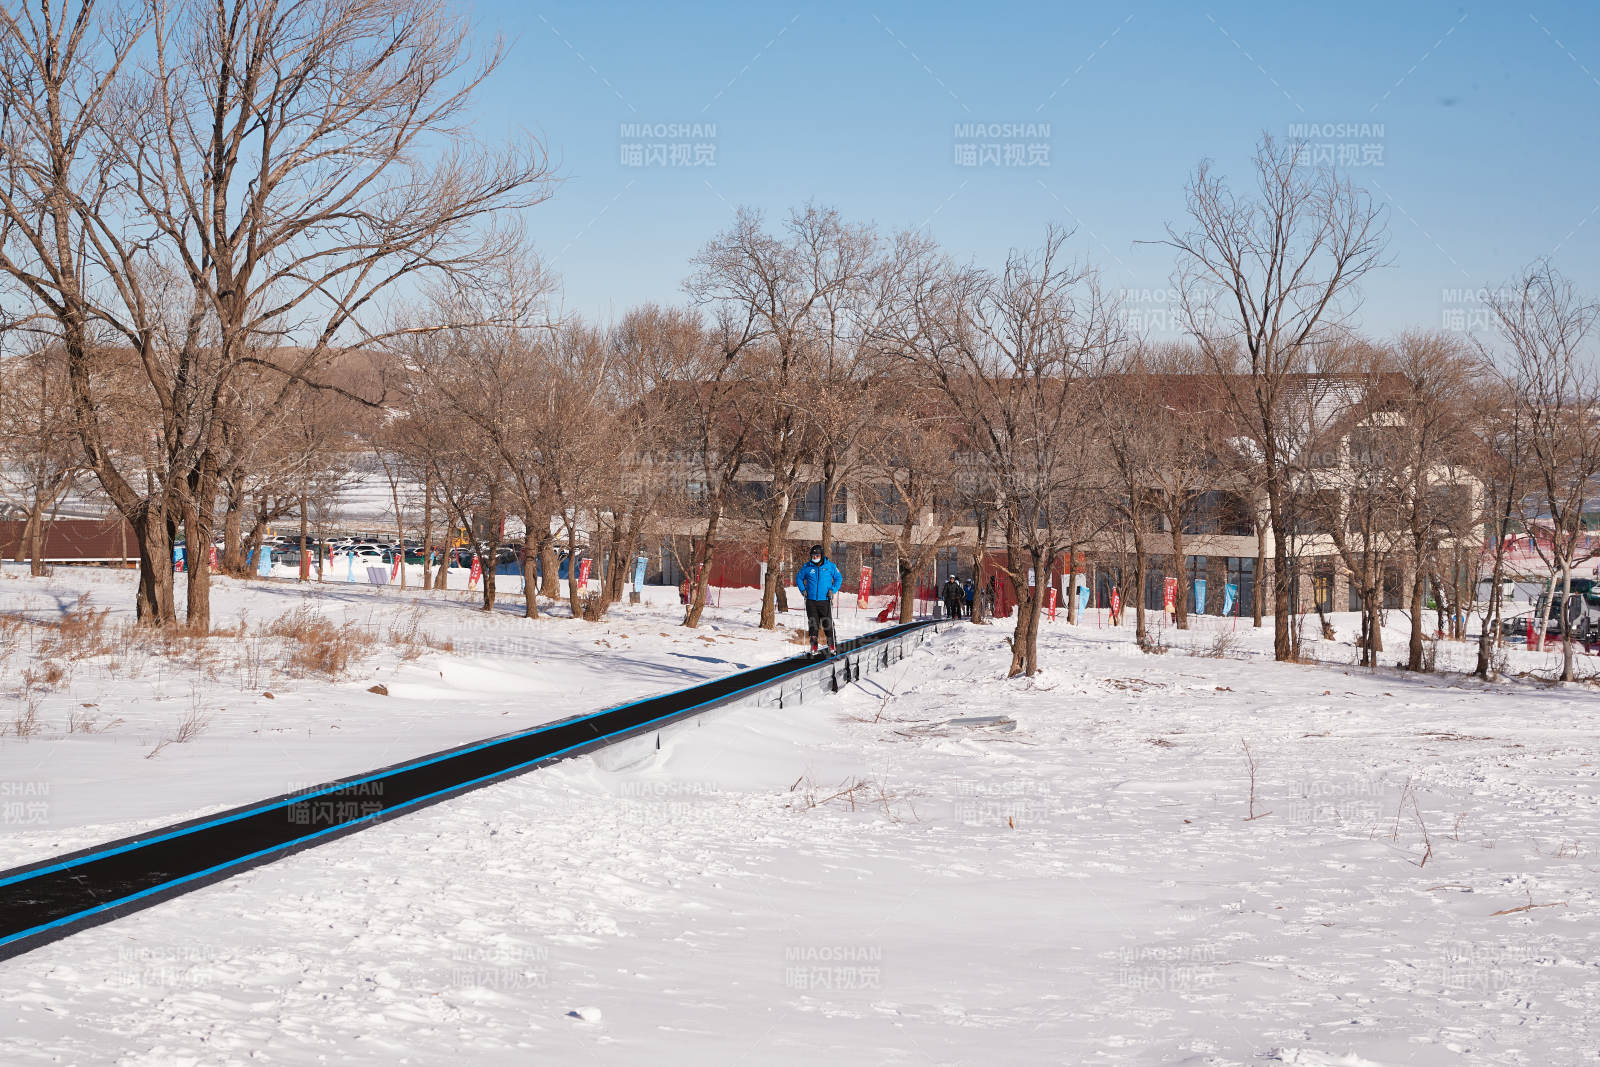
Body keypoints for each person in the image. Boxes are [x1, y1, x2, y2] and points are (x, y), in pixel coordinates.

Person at [795, 544, 843, 655]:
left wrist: (833, 589)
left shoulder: (830, 566)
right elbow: (799, 578)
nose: (815, 557)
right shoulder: (807, 567)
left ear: (821, 555)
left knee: (827, 623)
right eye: (813, 555)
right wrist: (803, 590)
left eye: (817, 555)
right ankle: (814, 646)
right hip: (811, 600)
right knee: (813, 624)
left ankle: (831, 645)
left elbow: (838, 578)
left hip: (825, 600)